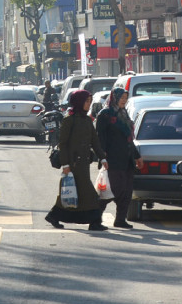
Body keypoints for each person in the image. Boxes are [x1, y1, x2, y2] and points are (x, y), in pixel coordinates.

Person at [45, 89, 107, 231]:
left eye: (90, 101)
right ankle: (95, 222)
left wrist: (103, 158)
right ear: (79, 102)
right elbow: (63, 144)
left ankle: (54, 216)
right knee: (89, 194)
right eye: (86, 101)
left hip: (84, 163)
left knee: (75, 193)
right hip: (73, 164)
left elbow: (95, 141)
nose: (88, 104)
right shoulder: (69, 120)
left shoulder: (87, 120)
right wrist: (66, 164)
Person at [95, 87, 142, 229]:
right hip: (112, 159)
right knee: (111, 191)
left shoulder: (123, 113)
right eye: (121, 98)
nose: (124, 101)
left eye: (125, 98)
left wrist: (137, 156)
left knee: (127, 191)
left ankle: (120, 219)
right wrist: (102, 157)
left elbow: (128, 138)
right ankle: (96, 219)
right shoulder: (105, 114)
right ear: (114, 98)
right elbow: (100, 138)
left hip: (126, 159)